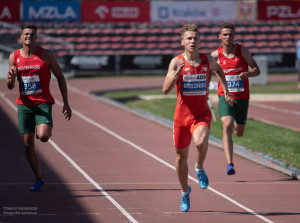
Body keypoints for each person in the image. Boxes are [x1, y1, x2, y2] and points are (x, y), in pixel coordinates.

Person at [162, 24, 233, 212]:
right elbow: (165, 89)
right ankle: (185, 192)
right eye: (189, 38)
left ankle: (199, 168)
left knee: (200, 142)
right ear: (182, 42)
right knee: (180, 158)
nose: (192, 41)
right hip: (181, 117)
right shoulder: (176, 62)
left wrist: (226, 91)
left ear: (200, 41)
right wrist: (177, 73)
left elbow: (219, 71)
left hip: (201, 114)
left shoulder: (208, 60)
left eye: (195, 38)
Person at [6, 23, 72, 191]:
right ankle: (39, 178)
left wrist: (66, 102)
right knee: (28, 145)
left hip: (43, 103)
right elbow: (10, 86)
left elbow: (60, 76)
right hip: (25, 106)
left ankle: (40, 128)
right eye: (26, 34)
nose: (29, 36)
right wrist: (10, 78)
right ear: (21, 37)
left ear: (36, 37)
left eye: (32, 34)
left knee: (43, 136)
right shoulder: (14, 57)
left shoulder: (46, 54)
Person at [211, 23, 260, 175]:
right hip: (224, 96)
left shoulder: (242, 50)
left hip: (242, 97)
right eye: (224, 34)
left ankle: (237, 126)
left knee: (239, 132)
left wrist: (247, 74)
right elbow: (204, 71)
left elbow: (256, 70)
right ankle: (230, 164)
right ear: (219, 36)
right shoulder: (215, 55)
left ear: (234, 36)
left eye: (230, 34)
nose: (228, 37)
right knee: (227, 124)